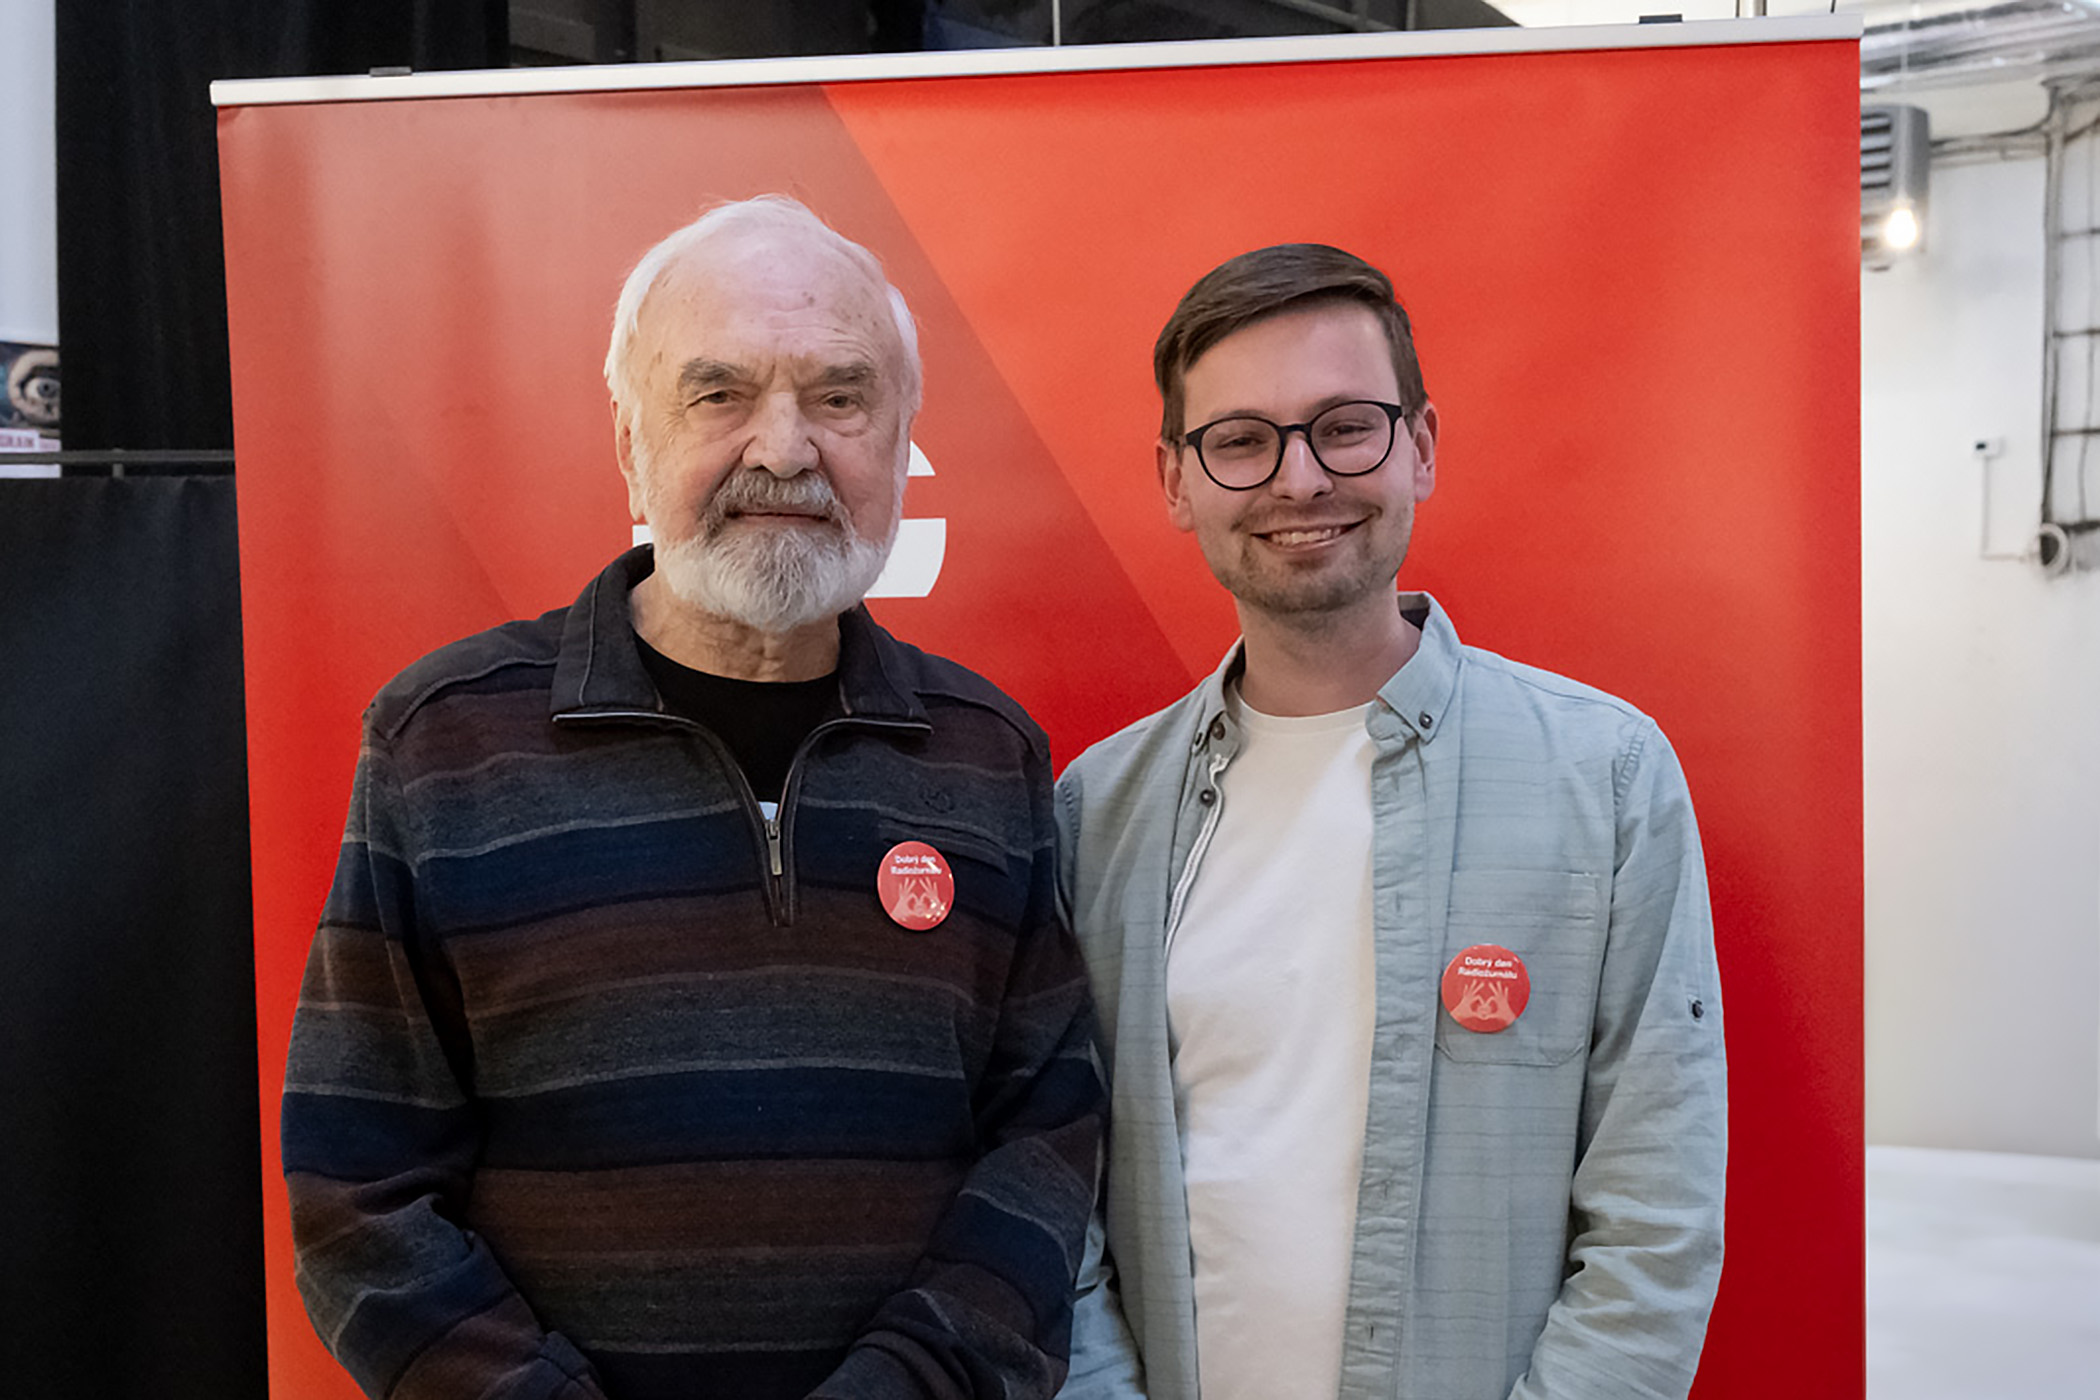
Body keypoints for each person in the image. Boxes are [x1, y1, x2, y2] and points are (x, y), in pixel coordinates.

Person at [281, 196, 1105, 1400]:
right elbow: (359, 1191)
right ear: (630, 440)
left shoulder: (987, 755)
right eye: (718, 393)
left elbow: (1045, 1144)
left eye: (839, 396)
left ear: (901, 441)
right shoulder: (443, 741)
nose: (784, 449)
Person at [1056, 244, 1726, 1400]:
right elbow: (1059, 1203)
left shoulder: (1607, 778)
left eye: (1345, 427)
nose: (1300, 478)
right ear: (1176, 480)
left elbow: (1653, 1222)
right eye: (1241, 439)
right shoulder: (1093, 813)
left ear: (1420, 445)